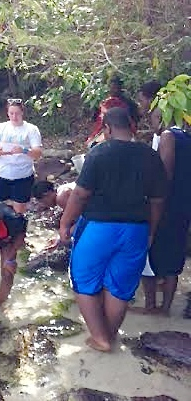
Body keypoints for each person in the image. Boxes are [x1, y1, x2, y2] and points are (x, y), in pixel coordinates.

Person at [59, 107, 167, 352]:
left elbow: (80, 194)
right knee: (120, 285)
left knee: (84, 279)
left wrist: (65, 223)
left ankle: (100, 338)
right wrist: (150, 231)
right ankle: (110, 334)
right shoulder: (150, 155)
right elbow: (158, 200)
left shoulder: (100, 153)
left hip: (100, 228)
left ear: (106, 129)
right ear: (131, 127)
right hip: (136, 231)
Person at [135, 126, 191, 316]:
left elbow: (163, 177)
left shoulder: (168, 136)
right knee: (173, 258)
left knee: (147, 254)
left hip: (163, 206)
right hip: (182, 206)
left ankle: (150, 306)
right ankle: (166, 308)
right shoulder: (186, 137)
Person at [0, 98, 42, 214]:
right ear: (7, 113)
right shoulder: (0, 128)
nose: (14, 116)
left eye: (17, 113)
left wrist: (24, 150)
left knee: (19, 213)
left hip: (22, 175)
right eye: (11, 113)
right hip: (1, 174)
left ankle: (17, 230)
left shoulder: (31, 129)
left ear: (22, 112)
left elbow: (37, 153)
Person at [86, 75, 139, 146]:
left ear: (121, 88)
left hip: (124, 133)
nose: (115, 90)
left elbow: (134, 121)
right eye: (112, 88)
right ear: (109, 88)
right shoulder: (104, 103)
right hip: (105, 133)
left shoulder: (129, 104)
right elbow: (96, 121)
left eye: (117, 88)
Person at [137, 80, 162, 145]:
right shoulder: (146, 119)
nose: (139, 105)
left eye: (140, 101)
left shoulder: (157, 113)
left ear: (150, 101)